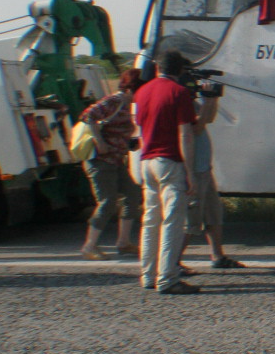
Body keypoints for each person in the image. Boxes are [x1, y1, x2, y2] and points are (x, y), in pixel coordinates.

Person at [133, 51, 202, 295]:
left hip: (147, 160)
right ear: (180, 71)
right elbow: (185, 134)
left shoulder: (142, 92)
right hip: (170, 161)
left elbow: (139, 127)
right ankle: (168, 277)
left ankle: (147, 274)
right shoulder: (179, 93)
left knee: (150, 220)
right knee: (172, 221)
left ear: (157, 67)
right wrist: (190, 172)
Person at [78, 68, 144, 260]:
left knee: (132, 195)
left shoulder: (128, 105)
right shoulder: (114, 101)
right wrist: (100, 142)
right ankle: (89, 246)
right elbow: (88, 116)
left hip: (115, 160)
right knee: (107, 202)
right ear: (132, 89)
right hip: (100, 161)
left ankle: (123, 243)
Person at [182, 91, 246, 269]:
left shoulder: (190, 101)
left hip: (203, 167)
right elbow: (196, 128)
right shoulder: (180, 102)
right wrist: (208, 102)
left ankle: (217, 255)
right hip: (194, 168)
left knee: (213, 213)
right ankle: (173, 261)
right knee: (191, 218)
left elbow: (208, 118)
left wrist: (212, 99)